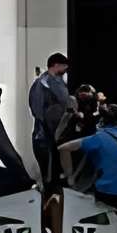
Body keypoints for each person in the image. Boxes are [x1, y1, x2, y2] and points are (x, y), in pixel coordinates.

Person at [28, 52, 75, 189]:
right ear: (56, 65)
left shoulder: (58, 83)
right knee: (50, 181)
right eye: (64, 66)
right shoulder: (42, 84)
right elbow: (38, 111)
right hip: (45, 139)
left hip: (57, 138)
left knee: (57, 179)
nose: (66, 70)